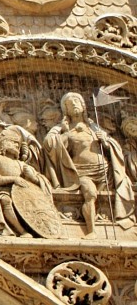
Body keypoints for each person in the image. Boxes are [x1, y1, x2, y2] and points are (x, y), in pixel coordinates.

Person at [44, 92, 135, 234]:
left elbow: (113, 147)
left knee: (124, 185)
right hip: (82, 173)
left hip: (105, 174)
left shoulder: (94, 127)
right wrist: (65, 132)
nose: (74, 104)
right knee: (90, 194)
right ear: (65, 110)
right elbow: (49, 145)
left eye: (76, 101)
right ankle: (91, 231)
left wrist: (105, 141)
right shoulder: (64, 129)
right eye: (69, 104)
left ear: (83, 106)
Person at [0, 129, 53, 237]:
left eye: (17, 143)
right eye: (13, 142)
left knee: (33, 204)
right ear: (4, 142)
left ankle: (41, 230)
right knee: (5, 200)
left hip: (22, 193)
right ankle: (22, 231)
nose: (17, 145)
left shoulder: (20, 164)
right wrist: (13, 179)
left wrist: (33, 178)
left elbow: (41, 181)